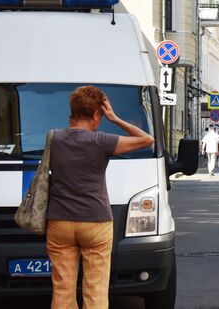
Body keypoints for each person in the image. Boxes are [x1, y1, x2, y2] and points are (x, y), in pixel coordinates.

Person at [46, 86, 154, 309]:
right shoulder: (102, 141)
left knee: (62, 288)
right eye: (101, 116)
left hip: (60, 221)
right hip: (95, 221)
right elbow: (146, 140)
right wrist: (115, 118)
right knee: (95, 288)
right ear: (97, 114)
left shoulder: (55, 139)